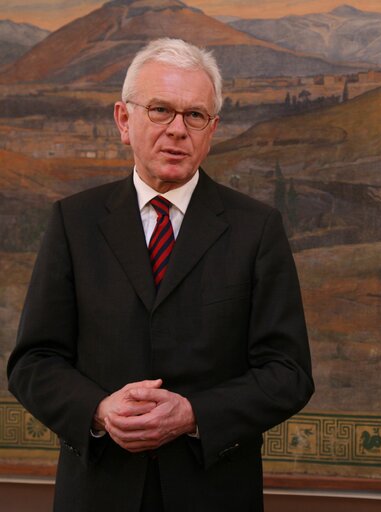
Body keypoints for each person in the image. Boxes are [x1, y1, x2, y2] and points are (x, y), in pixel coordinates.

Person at [7, 38, 314, 512]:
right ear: (123, 121)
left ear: (212, 130)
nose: (177, 130)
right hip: (99, 491)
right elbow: (34, 363)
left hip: (211, 491)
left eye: (194, 116)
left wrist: (193, 413)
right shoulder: (74, 222)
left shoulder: (257, 229)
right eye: (160, 110)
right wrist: (99, 411)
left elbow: (288, 374)